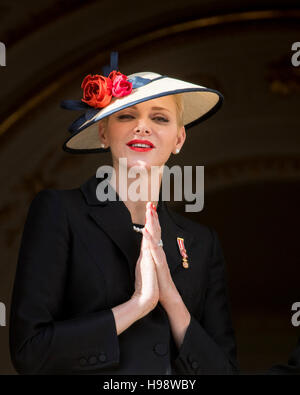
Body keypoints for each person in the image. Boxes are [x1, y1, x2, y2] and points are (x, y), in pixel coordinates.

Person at [9, 52, 239, 375]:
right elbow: (29, 353)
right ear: (103, 132)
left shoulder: (202, 243)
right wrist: (137, 305)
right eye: (126, 116)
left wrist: (171, 300)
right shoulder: (60, 213)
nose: (142, 127)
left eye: (160, 118)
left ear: (179, 138)